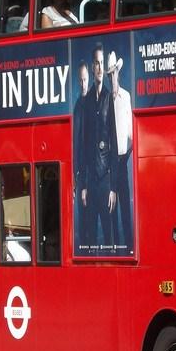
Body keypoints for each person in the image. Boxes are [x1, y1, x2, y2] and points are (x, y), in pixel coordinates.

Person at [80, 43, 118, 249]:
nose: (100, 67)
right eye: (97, 63)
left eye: (102, 63)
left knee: (109, 235)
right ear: (93, 67)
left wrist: (113, 188)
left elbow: (114, 140)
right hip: (91, 179)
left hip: (105, 178)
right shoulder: (86, 102)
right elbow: (85, 144)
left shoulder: (109, 98)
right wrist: (84, 185)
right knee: (91, 237)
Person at [108, 51, 133, 249]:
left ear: (118, 72)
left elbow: (131, 133)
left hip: (122, 159)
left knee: (125, 205)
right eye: (109, 74)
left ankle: (128, 245)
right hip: (110, 161)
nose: (111, 77)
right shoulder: (105, 101)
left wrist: (125, 156)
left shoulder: (126, 97)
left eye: (113, 72)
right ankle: (115, 246)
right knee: (111, 208)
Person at [72, 61, 90, 245]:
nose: (84, 84)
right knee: (84, 222)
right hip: (82, 173)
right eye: (81, 80)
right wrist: (76, 179)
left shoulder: (94, 102)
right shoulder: (78, 107)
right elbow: (75, 143)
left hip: (95, 173)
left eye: (86, 80)